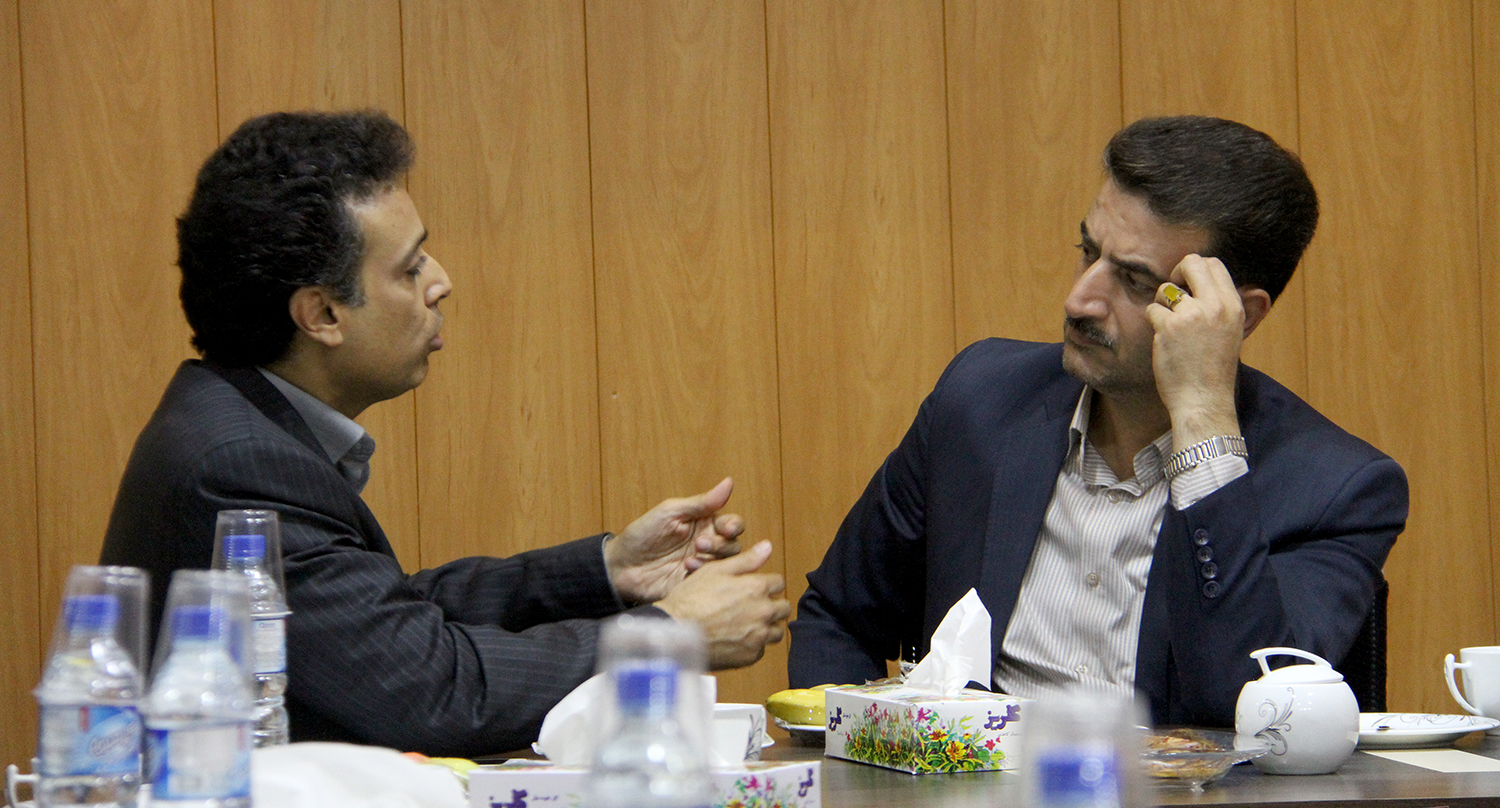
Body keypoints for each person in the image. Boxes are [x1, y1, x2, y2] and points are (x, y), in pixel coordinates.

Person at [100, 110, 791, 757]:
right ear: (322, 314)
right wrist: (670, 635)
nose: (441, 283)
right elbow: (431, 689)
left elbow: (390, 621)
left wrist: (610, 571)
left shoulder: (234, 421)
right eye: (411, 268)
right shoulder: (240, 463)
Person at [787, 115, 1408, 727]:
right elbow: (838, 618)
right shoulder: (980, 403)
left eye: (1134, 280)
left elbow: (1249, 708)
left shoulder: (1335, 489)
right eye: (1088, 251)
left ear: (1236, 315)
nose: (1079, 299)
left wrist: (1203, 422)